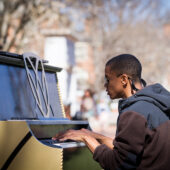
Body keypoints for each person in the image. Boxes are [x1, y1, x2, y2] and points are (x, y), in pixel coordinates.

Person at [53, 54, 170, 170]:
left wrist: (86, 138)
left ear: (124, 79)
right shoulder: (155, 103)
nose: (105, 85)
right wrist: (95, 136)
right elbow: (132, 147)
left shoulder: (134, 113)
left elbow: (117, 164)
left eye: (108, 79)